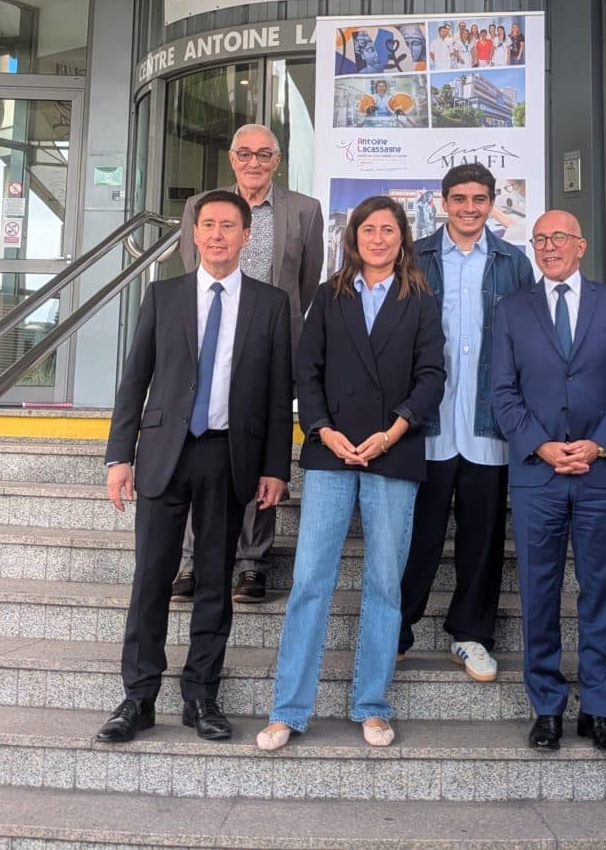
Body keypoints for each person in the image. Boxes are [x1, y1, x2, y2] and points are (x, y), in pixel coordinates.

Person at [96, 190, 292, 744]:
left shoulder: (270, 304)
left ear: (246, 236)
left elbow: (280, 395)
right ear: (194, 233)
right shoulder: (163, 296)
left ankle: (201, 696)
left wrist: (276, 466)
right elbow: (134, 379)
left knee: (213, 583)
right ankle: (137, 699)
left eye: (229, 226)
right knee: (151, 579)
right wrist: (119, 456)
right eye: (207, 225)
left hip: (229, 455)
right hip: (163, 453)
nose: (217, 235)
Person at [256, 196, 445, 751]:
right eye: (369, 229)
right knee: (310, 582)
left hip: (394, 450)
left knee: (385, 585)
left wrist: (393, 431)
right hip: (331, 452)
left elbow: (433, 375)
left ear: (402, 238)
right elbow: (306, 371)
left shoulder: (420, 298)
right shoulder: (329, 295)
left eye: (389, 230)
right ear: (353, 236)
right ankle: (288, 710)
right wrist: (323, 428)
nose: (378, 238)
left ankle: (372, 705)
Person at [491, 210, 606, 752]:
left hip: (600, 472)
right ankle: (548, 706)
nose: (548, 246)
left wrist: (599, 443)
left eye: (559, 237)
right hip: (538, 475)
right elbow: (502, 394)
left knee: (599, 590)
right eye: (539, 239)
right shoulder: (512, 310)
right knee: (539, 592)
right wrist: (541, 444)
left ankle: (599, 709)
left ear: (581, 245)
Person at [175, 125, 323, 604]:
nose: (254, 162)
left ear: (277, 161)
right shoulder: (203, 208)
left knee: (261, 448)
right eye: (244, 153)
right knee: (203, 449)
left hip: (271, 346)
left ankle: (252, 562)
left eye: (264, 154)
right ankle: (193, 560)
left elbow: (307, 280)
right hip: (210, 341)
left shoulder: (304, 210)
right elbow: (191, 272)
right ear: (232, 158)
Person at [399, 163, 534, 682]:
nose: (470, 208)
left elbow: (526, 344)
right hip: (427, 423)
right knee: (418, 535)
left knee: (482, 538)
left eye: (480, 199)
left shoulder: (514, 263)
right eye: (460, 199)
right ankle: (399, 630)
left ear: (492, 201)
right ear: (444, 202)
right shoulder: (416, 258)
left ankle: (471, 635)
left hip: (488, 423)